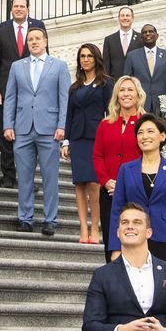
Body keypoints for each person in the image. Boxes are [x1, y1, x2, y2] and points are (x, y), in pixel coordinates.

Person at [4, 25, 69, 236]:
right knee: (24, 176)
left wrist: (62, 126)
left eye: (38, 38)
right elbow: (11, 97)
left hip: (49, 129)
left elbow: (64, 98)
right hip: (22, 128)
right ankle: (25, 217)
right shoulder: (17, 66)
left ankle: (51, 219)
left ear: (45, 41)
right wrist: (8, 124)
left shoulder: (59, 66)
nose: (33, 42)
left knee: (50, 177)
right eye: (30, 39)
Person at [109, 115, 166, 268]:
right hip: (132, 239)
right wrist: (115, 247)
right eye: (140, 133)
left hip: (165, 240)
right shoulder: (126, 169)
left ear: (162, 136)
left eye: (150, 131)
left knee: (163, 289)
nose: (144, 136)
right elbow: (116, 211)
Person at [0, 0, 42, 186]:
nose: (19, 9)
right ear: (11, 9)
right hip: (6, 90)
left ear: (28, 8)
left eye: (22, 6)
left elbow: (44, 58)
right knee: (6, 133)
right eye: (15, 6)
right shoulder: (2, 30)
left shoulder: (38, 28)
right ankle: (9, 176)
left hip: (30, 91)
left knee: (28, 134)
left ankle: (27, 178)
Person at [94, 75, 146, 259]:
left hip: (136, 191)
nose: (126, 94)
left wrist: (126, 184)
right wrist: (106, 181)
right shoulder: (105, 124)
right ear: (116, 95)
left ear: (138, 95)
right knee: (112, 239)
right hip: (108, 192)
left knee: (135, 239)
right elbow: (97, 156)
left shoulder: (145, 123)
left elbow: (148, 156)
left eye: (130, 90)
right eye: (122, 90)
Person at [64, 44, 112, 245]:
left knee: (94, 184)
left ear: (96, 59)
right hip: (77, 138)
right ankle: (83, 229)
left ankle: (95, 229)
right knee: (79, 184)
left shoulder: (106, 83)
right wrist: (66, 141)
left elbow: (111, 112)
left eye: (89, 56)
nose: (85, 59)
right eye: (82, 56)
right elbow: (69, 115)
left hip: (97, 138)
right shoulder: (75, 87)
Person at [123, 24, 166, 107]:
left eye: (151, 31)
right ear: (141, 37)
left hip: (163, 103)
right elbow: (127, 80)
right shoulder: (131, 56)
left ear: (157, 36)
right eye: (144, 32)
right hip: (140, 103)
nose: (147, 34)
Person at [101, 5, 137, 82]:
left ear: (132, 18)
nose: (125, 18)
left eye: (128, 15)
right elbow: (106, 65)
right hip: (115, 83)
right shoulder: (109, 40)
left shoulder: (140, 39)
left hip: (135, 83)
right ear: (118, 18)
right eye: (122, 15)